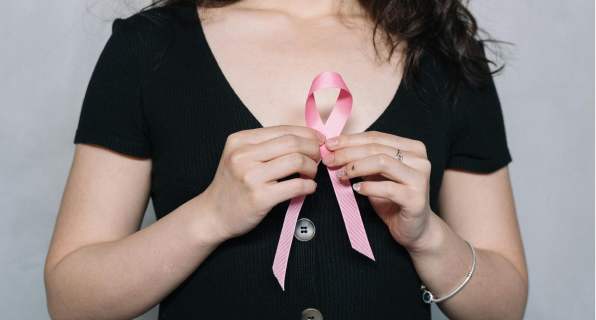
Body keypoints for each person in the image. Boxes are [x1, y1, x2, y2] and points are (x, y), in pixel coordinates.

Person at [44, 0, 528, 319]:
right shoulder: (146, 46)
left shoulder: (446, 52)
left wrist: (429, 239)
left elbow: (505, 305)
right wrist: (210, 215)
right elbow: (70, 299)